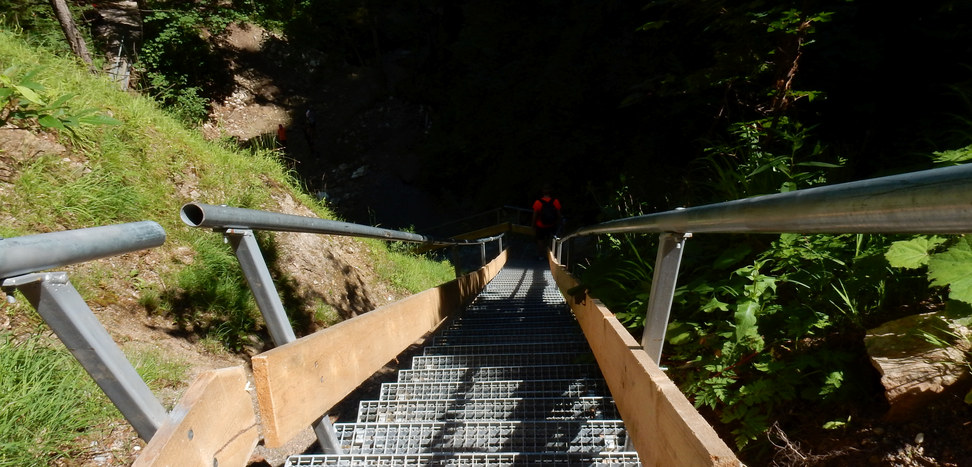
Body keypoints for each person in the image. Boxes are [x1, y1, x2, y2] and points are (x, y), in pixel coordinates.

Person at [531, 184, 562, 259]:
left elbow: (535, 216)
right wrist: (558, 223)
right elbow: (559, 214)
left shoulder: (538, 202)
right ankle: (550, 256)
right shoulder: (555, 201)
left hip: (540, 225)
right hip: (552, 225)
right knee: (550, 240)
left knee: (540, 240)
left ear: (542, 192)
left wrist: (533, 225)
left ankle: (541, 256)